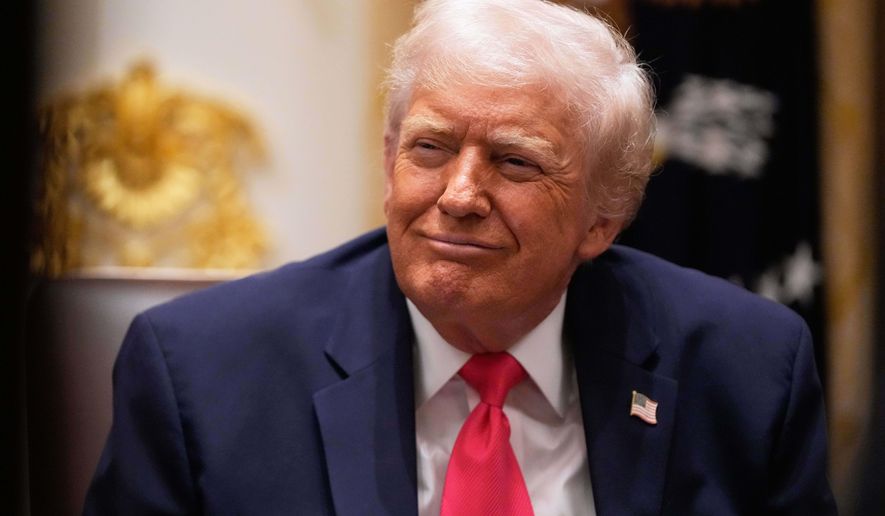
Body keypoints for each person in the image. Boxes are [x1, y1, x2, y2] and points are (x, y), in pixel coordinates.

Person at [83, 0, 837, 514]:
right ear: (387, 163)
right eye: (430, 149)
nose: (459, 194)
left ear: (602, 218)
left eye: (514, 163)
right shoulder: (201, 374)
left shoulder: (744, 371)